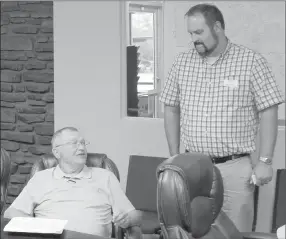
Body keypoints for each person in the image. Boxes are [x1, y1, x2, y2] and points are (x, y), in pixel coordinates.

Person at [159, 3, 284, 232]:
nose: (194, 39)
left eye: (199, 32)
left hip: (235, 167)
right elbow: (171, 107)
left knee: (235, 231)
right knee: (193, 231)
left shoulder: (251, 62)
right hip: (194, 167)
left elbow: (269, 110)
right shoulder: (182, 62)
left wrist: (265, 161)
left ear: (217, 27)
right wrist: (174, 153)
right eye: (190, 33)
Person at [4, 127, 142, 237]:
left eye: (82, 143)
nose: (81, 148)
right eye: (74, 143)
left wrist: (127, 219)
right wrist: (39, 226)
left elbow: (136, 216)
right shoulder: (40, 178)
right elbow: (11, 213)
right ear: (57, 152)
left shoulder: (105, 177)